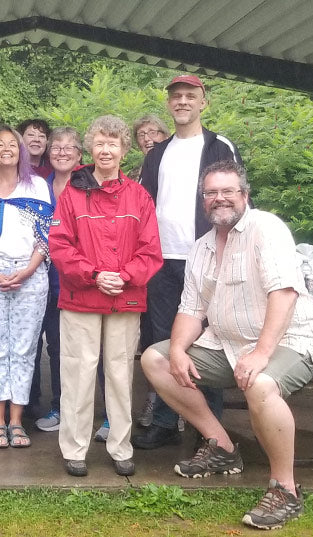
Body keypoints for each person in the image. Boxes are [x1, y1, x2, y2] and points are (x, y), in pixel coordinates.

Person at [141, 161, 313, 530]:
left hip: (290, 340)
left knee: (261, 383)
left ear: (244, 194)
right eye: (211, 193)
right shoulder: (202, 247)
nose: (219, 199)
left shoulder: (265, 228)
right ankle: (222, 447)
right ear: (203, 200)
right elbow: (191, 309)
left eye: (228, 191)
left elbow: (284, 293)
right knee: (155, 359)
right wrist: (177, 349)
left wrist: (261, 353)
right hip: (226, 345)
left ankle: (285, 490)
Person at [49, 115, 162, 477]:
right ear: (91, 148)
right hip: (82, 296)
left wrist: (124, 277)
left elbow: (150, 251)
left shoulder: (139, 196)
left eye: (113, 143)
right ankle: (75, 449)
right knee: (77, 374)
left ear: (124, 150)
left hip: (124, 299)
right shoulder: (72, 193)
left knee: (119, 376)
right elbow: (60, 246)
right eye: (100, 143)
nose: (106, 150)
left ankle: (120, 446)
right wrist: (95, 276)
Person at [134, 74, 243, 450]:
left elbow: (238, 202)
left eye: (190, 96)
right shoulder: (157, 153)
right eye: (176, 96)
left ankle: (207, 430)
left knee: (207, 342)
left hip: (208, 259)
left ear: (203, 103)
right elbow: (143, 206)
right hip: (162, 261)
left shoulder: (219, 146)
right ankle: (165, 421)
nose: (182, 102)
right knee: (164, 343)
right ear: (169, 104)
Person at [0, 125, 53, 448]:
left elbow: (45, 238)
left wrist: (25, 272)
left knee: (23, 348)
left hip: (29, 275)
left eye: (12, 144)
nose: (6, 148)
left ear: (21, 151)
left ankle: (17, 421)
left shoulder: (36, 187)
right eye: (0, 144)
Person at [32, 126, 80, 432]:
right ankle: (58, 407)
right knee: (54, 347)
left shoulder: (87, 185)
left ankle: (93, 412)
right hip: (43, 278)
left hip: (77, 279)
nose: (62, 153)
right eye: (57, 148)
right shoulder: (40, 185)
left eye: (69, 148)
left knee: (83, 350)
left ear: (79, 155)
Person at [129, 113, 170, 427]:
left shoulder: (174, 165)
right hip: (140, 263)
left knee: (171, 333)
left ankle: (170, 406)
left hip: (172, 258)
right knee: (149, 335)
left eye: (154, 131)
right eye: (141, 133)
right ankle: (157, 402)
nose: (148, 137)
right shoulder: (132, 175)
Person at [129, 114, 169, 182]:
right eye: (141, 135)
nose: (146, 139)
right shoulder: (134, 176)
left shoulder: (176, 166)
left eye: (152, 133)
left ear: (166, 136)